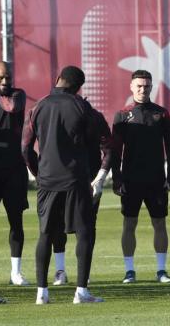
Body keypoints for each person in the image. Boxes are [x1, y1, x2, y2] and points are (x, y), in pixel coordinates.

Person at [21, 65, 103, 304]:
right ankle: (81, 292)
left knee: (45, 234)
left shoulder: (38, 107)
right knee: (85, 232)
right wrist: (92, 175)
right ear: (79, 88)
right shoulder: (82, 107)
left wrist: (38, 173)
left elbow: (25, 148)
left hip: (47, 180)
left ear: (58, 79)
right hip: (75, 179)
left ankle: (41, 293)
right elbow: (93, 144)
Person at [111, 70, 170, 284]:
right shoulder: (123, 115)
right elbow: (115, 150)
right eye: (139, 86)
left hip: (156, 179)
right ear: (131, 87)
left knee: (160, 223)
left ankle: (161, 270)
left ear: (151, 87)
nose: (143, 89)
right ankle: (129, 271)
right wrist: (117, 178)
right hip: (130, 179)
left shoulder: (162, 113)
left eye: (147, 86)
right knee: (129, 224)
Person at [51, 103, 112, 286]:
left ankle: (82, 273)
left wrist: (100, 177)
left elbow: (108, 148)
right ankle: (60, 270)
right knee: (58, 224)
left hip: (87, 179)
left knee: (86, 226)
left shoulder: (94, 116)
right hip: (62, 177)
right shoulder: (55, 115)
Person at [0, 62, 30, 286]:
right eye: (0, 78)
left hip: (15, 169)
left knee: (16, 221)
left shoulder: (19, 95)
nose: (6, 82)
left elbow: (9, 107)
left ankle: (16, 272)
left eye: (8, 77)